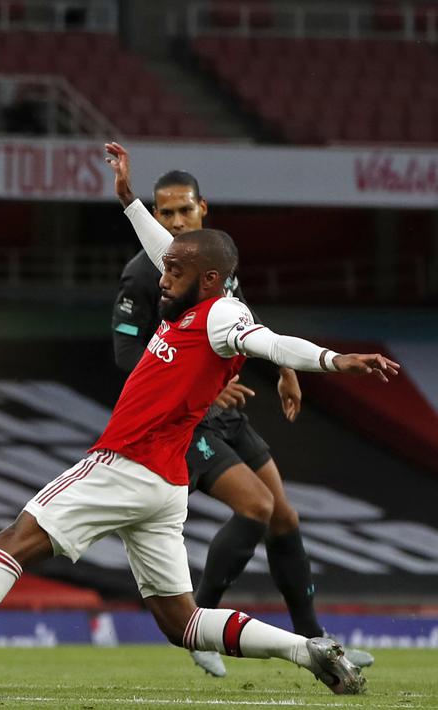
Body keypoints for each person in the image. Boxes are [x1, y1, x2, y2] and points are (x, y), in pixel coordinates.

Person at [0, 143, 399, 696]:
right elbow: (168, 252)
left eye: (173, 271)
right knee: (181, 622)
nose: (161, 277)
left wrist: (333, 360)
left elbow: (270, 341)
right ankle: (308, 649)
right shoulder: (194, 296)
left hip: (126, 463)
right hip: (164, 485)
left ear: (206, 279)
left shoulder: (222, 313)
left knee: (16, 539)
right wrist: (130, 200)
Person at [112, 171, 374, 676]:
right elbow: (126, 353)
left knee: (285, 517)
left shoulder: (217, 267)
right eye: (165, 213)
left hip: (228, 413)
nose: (175, 221)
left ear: (202, 209)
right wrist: (194, 377)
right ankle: (199, 626)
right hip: (185, 420)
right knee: (255, 506)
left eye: (183, 211)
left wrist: (285, 370)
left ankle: (316, 638)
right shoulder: (149, 270)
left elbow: (249, 329)